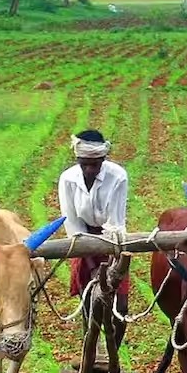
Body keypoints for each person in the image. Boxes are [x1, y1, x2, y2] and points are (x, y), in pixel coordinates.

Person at [57, 129, 130, 355]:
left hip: (112, 239)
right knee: (89, 300)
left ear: (103, 159)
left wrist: (108, 267)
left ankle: (113, 355)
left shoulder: (118, 176)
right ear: (78, 160)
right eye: (84, 164)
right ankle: (91, 351)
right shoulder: (68, 179)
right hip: (82, 239)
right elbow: (73, 224)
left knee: (120, 306)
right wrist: (90, 264)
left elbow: (115, 223)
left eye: (95, 164)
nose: (89, 169)